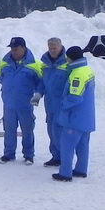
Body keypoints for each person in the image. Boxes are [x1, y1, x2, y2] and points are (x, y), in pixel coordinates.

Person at [0, 36, 44, 165]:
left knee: (27, 130)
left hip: (25, 104)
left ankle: (28, 155)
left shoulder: (35, 64)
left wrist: (37, 95)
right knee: (9, 130)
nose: (14, 52)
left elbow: (41, 82)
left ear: (24, 48)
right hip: (9, 103)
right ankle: (8, 154)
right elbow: (0, 77)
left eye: (16, 49)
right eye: (12, 49)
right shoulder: (4, 63)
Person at [52, 46, 96, 182]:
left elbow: (75, 97)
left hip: (74, 118)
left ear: (71, 58)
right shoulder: (87, 70)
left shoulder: (77, 74)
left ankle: (65, 173)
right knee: (83, 145)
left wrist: (62, 105)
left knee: (67, 146)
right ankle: (81, 170)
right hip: (86, 117)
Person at [39, 37, 70, 167]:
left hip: (62, 104)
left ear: (60, 47)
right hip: (49, 104)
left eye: (54, 48)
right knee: (51, 131)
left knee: (59, 132)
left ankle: (65, 158)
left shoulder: (68, 62)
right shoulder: (45, 63)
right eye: (50, 48)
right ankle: (56, 156)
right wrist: (38, 93)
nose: (52, 50)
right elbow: (42, 81)